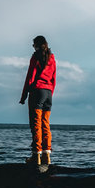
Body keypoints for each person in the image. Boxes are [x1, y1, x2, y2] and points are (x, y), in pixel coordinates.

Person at [19, 35, 56, 169]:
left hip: (37, 92)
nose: (32, 47)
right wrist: (50, 93)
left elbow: (30, 77)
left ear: (36, 45)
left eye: (33, 45)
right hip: (48, 94)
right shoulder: (51, 57)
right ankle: (47, 155)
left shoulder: (35, 57)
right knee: (45, 124)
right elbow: (53, 78)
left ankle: (36, 156)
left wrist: (24, 96)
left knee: (36, 124)